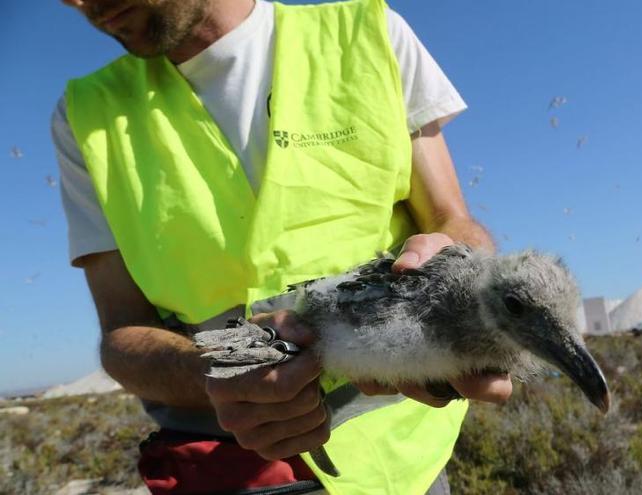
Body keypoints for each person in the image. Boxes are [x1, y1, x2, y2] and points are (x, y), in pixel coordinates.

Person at [52, 0, 513, 493]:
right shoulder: (85, 116)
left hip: (405, 458)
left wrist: (466, 285)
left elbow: (451, 220)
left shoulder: (370, 35)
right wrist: (226, 365)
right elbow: (121, 333)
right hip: (230, 462)